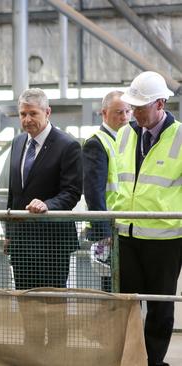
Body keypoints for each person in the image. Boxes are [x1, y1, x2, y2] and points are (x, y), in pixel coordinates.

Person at [114, 71, 182, 366]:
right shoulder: (125, 133)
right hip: (126, 235)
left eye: (141, 106)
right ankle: (130, 358)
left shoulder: (180, 137)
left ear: (161, 104)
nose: (135, 112)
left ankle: (153, 361)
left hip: (165, 239)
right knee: (126, 305)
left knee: (160, 307)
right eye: (133, 106)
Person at [6, 88, 82, 347]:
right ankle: (33, 355)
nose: (27, 120)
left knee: (55, 309)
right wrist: (8, 234)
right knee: (27, 307)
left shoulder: (68, 145)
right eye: (23, 114)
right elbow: (15, 193)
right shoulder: (18, 143)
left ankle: (57, 358)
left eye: (33, 113)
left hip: (53, 243)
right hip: (21, 243)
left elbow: (72, 192)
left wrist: (47, 205)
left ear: (47, 112)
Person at [82, 91, 132, 292]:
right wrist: (104, 233)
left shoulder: (129, 140)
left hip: (125, 227)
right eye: (119, 112)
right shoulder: (97, 142)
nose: (125, 117)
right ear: (104, 113)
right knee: (112, 289)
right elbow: (94, 192)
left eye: (128, 111)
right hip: (109, 231)